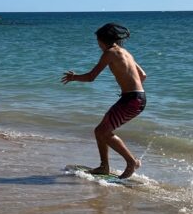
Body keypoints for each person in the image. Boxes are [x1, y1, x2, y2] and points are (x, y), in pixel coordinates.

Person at [62, 23, 147, 179]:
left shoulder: (110, 53)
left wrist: (74, 77)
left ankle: (131, 162)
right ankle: (103, 166)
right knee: (100, 131)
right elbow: (143, 75)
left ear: (102, 40)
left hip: (131, 99)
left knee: (103, 131)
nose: (98, 45)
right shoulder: (125, 52)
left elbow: (91, 77)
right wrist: (129, 88)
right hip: (138, 98)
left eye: (98, 41)